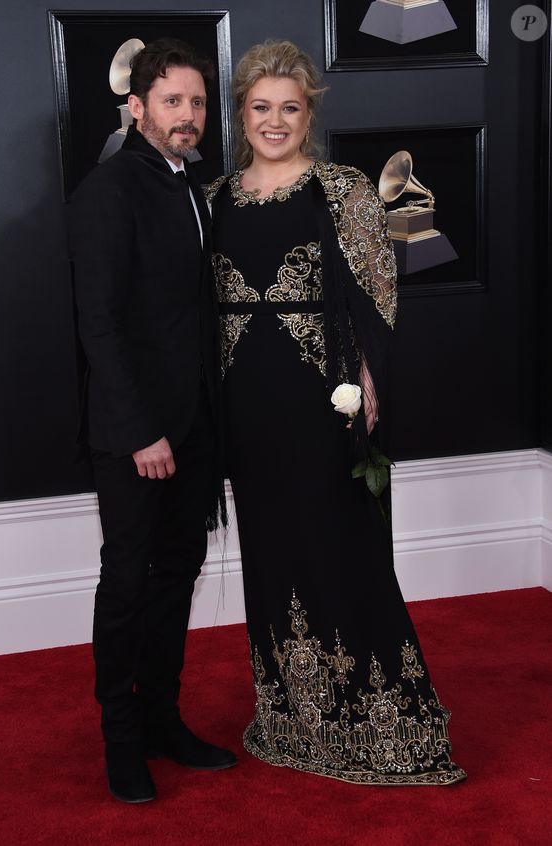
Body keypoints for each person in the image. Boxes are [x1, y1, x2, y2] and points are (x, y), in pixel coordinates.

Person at [206, 40, 466, 786]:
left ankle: (384, 723)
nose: (275, 121)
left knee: (341, 550)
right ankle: (291, 716)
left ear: (309, 113)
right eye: (261, 108)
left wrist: (369, 384)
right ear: (242, 113)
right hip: (245, 412)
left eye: (290, 108)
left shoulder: (342, 189)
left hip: (322, 404)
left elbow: (378, 294)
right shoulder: (214, 197)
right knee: (273, 555)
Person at [69, 37, 236, 804]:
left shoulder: (186, 186)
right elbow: (99, 325)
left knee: (179, 577)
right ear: (136, 107)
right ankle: (121, 741)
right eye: (173, 100)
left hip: (194, 425)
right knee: (129, 582)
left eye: (198, 102)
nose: (189, 115)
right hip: (136, 434)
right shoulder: (110, 190)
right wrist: (142, 432)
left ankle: (164, 720)